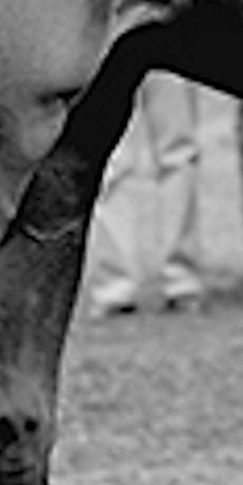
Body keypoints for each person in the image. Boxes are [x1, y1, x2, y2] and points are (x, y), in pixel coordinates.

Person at [88, 69, 207, 314]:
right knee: (114, 162)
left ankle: (180, 282)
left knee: (178, 155)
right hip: (111, 42)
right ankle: (115, 288)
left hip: (171, 41)